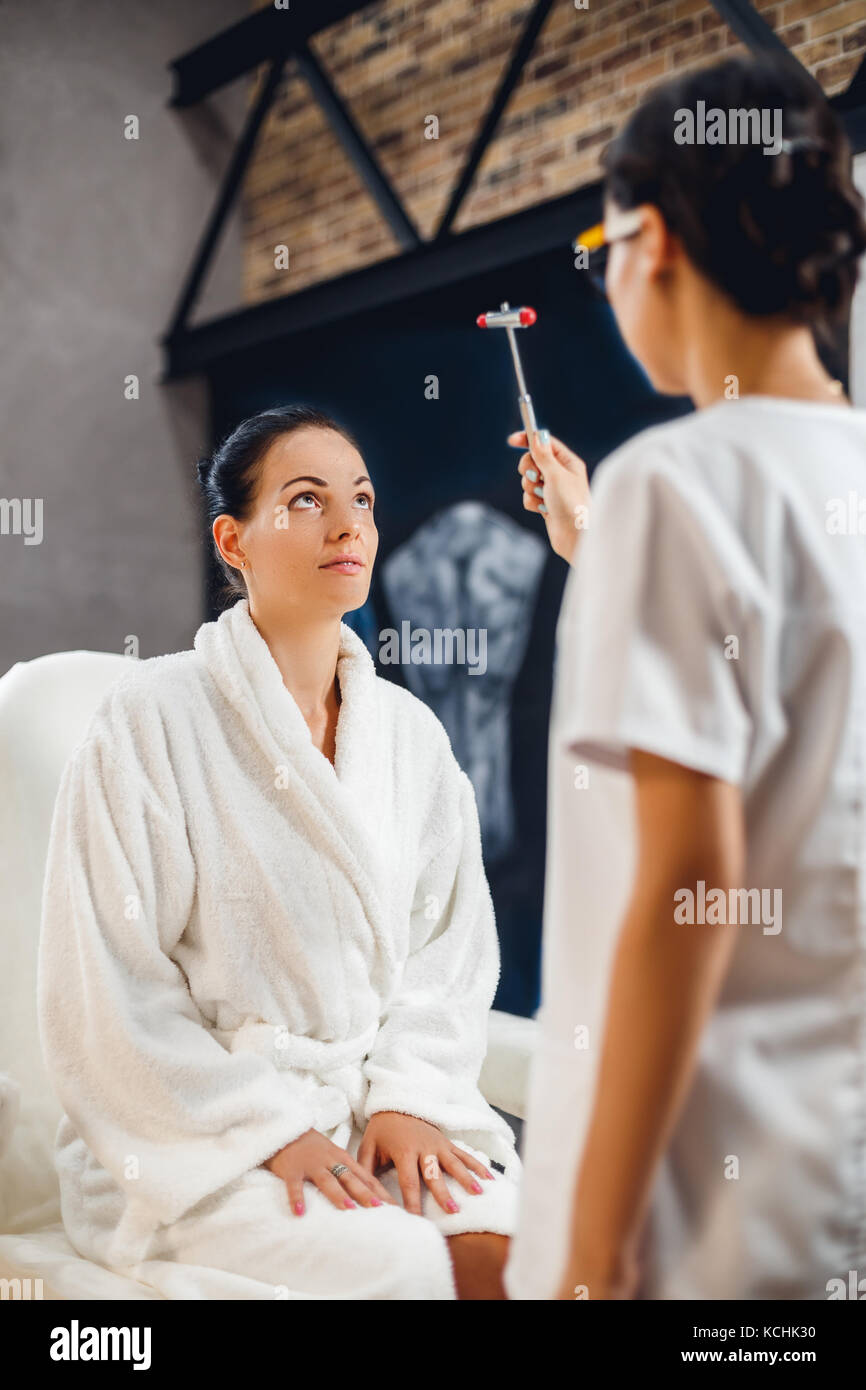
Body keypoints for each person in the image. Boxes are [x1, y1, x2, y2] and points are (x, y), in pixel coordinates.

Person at [503, 55, 866, 1300]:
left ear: (647, 238)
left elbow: (693, 877)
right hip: (824, 1181)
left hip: (692, 1205)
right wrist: (599, 548)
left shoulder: (675, 482)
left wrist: (594, 1252)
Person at [37, 404, 520, 1301]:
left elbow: (448, 949)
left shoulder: (409, 737)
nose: (349, 526)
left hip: (376, 1108)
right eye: (306, 500)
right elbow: (106, 983)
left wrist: (409, 1096)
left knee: (509, 1253)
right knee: (414, 1270)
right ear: (235, 539)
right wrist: (262, 1132)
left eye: (364, 501)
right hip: (197, 1140)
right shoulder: (150, 720)